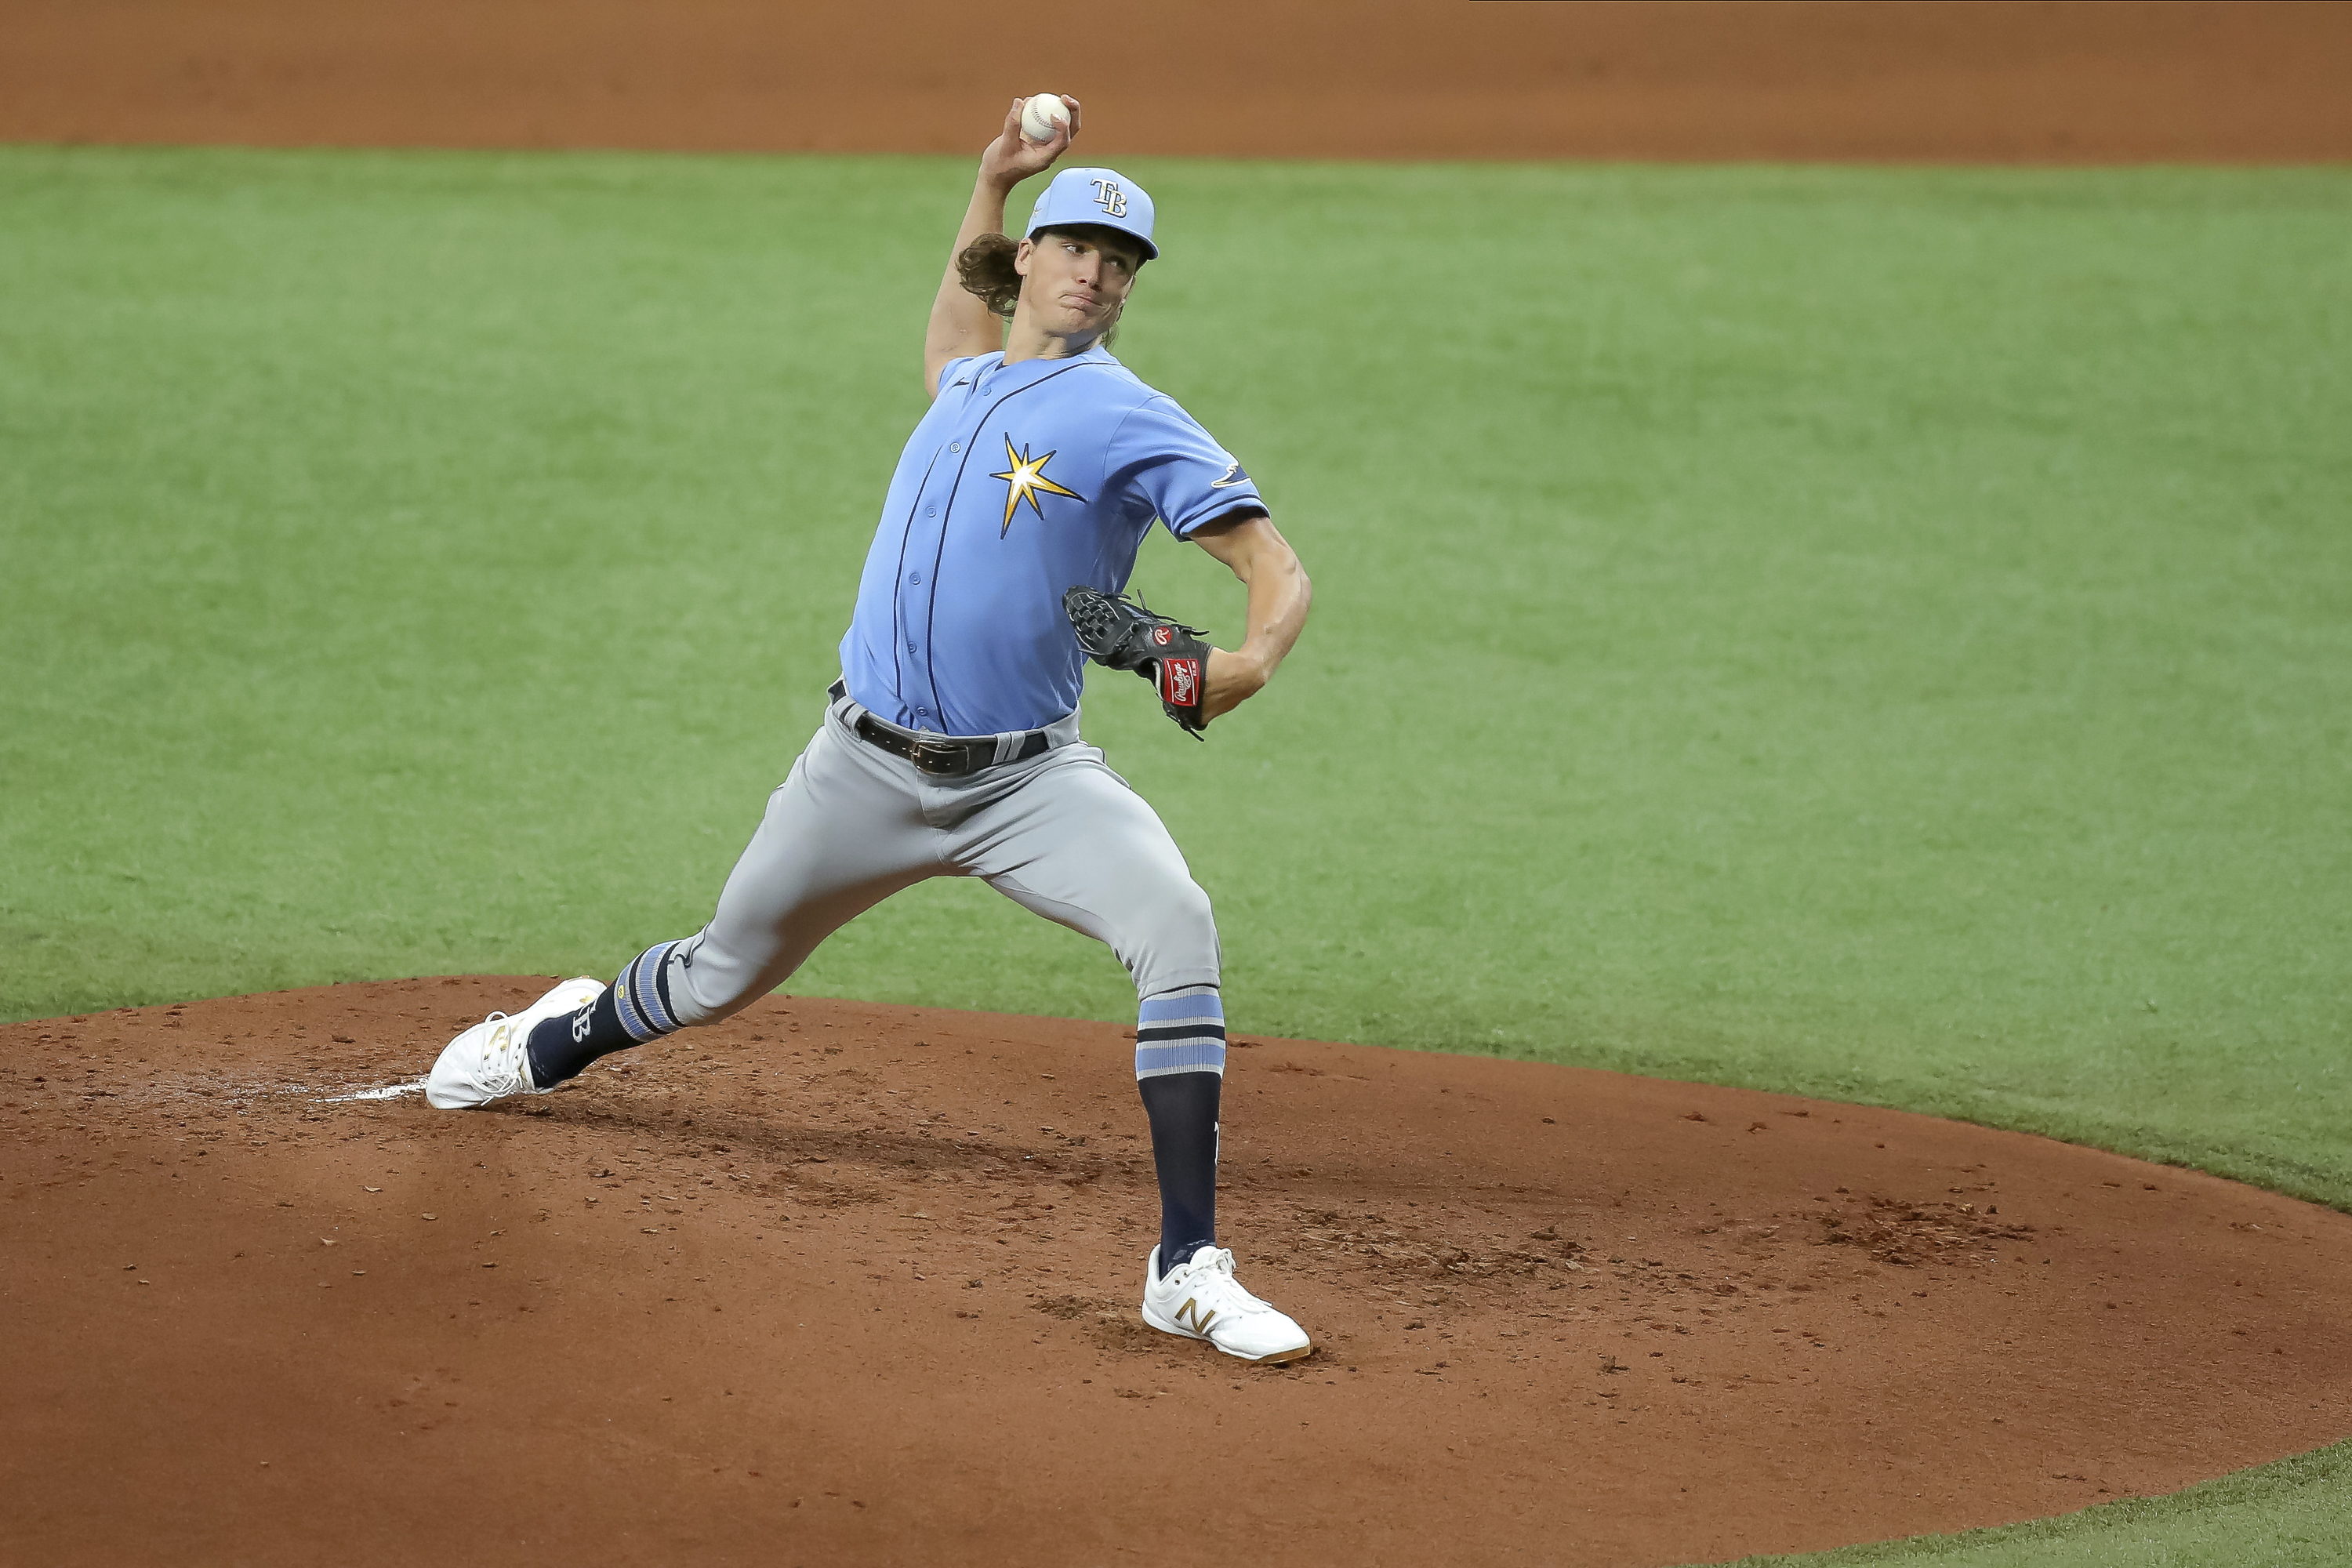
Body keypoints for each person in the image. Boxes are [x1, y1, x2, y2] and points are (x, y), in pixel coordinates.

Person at [425, 96, 1316, 1363]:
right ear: (1032, 262)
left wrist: (1247, 664)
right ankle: (555, 1038)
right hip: (858, 769)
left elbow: (1274, 567)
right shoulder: (965, 381)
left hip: (1027, 785)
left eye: (1120, 263)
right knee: (721, 971)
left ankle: (1186, 1265)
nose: (1097, 274)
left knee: (1177, 920)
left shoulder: (1130, 418)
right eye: (1075, 248)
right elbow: (959, 311)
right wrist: (991, 180)